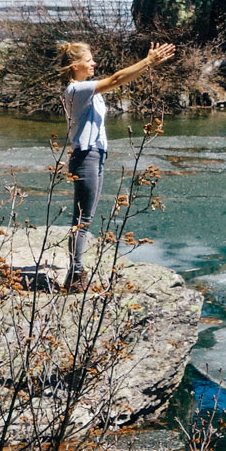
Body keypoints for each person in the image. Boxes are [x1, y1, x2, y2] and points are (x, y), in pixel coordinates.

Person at [58, 38, 174, 289]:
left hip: (95, 156)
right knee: (82, 219)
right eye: (89, 60)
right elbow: (115, 80)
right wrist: (147, 61)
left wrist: (149, 65)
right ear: (75, 65)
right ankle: (75, 276)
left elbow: (118, 80)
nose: (94, 63)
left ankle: (76, 273)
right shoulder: (76, 90)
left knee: (84, 218)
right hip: (85, 157)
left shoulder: (86, 89)